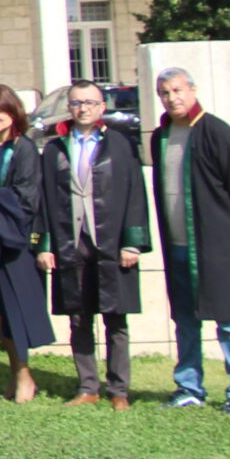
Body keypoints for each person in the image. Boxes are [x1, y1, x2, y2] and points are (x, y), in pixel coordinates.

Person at [149, 67, 230, 416]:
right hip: (178, 245)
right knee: (185, 319)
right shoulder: (161, 136)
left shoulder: (215, 131)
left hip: (214, 245)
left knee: (229, 319)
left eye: (178, 90)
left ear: (193, 90)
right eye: (166, 93)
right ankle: (188, 387)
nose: (173, 98)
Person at [43, 80, 150, 409]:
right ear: (69, 108)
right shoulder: (55, 148)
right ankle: (87, 386)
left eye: (90, 102)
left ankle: (119, 390)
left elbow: (136, 195)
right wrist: (45, 245)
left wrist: (132, 243)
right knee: (79, 317)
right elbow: (45, 200)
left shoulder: (119, 145)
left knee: (116, 318)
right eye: (76, 103)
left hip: (111, 241)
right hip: (71, 242)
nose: (83, 108)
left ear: (102, 108)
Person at [0, 85, 56, 403]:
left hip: (11, 241)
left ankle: (23, 375)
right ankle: (19, 370)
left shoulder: (23, 149)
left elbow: (25, 197)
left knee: (10, 308)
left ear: (12, 110)